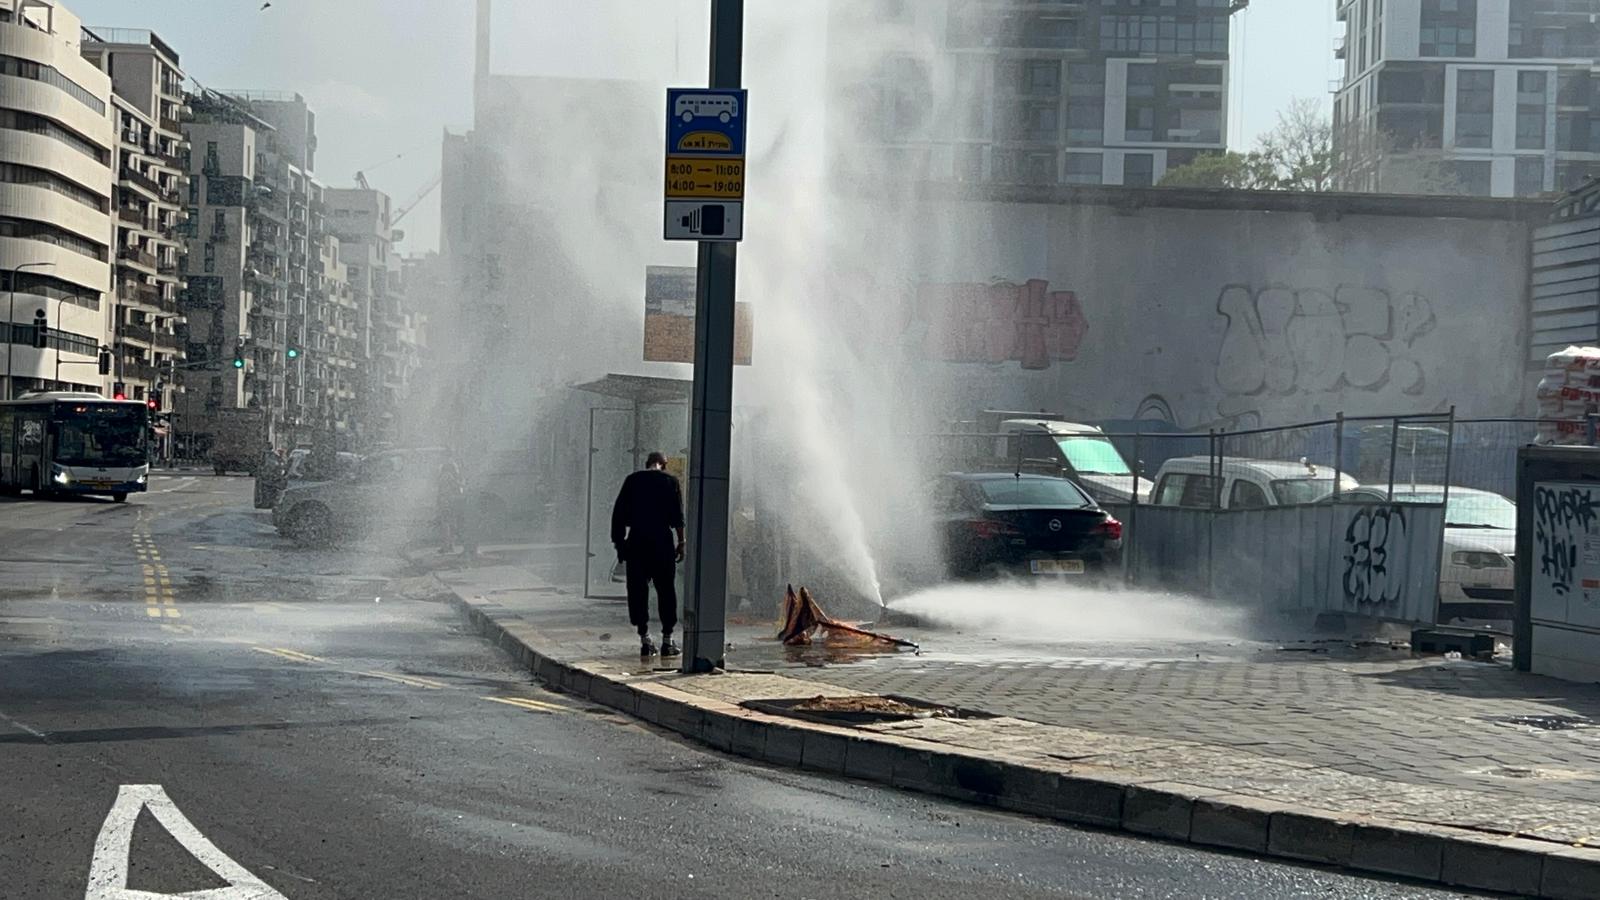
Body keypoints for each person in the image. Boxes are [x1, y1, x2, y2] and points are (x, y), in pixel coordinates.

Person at [611, 451, 686, 658]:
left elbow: (618, 515)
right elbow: (678, 517)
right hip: (662, 542)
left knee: (637, 591)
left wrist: (620, 545)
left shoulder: (632, 481)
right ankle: (667, 640)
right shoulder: (671, 481)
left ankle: (645, 639)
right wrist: (681, 542)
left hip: (637, 542)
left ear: (647, 464)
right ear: (663, 464)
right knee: (666, 590)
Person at [437, 457, 465, 554]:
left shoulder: (444, 476)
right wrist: (462, 482)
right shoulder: (449, 476)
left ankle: (447, 546)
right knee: (450, 525)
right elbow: (457, 487)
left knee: (447, 525)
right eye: (455, 467)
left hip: (446, 502)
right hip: (449, 502)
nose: (457, 469)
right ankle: (449, 546)